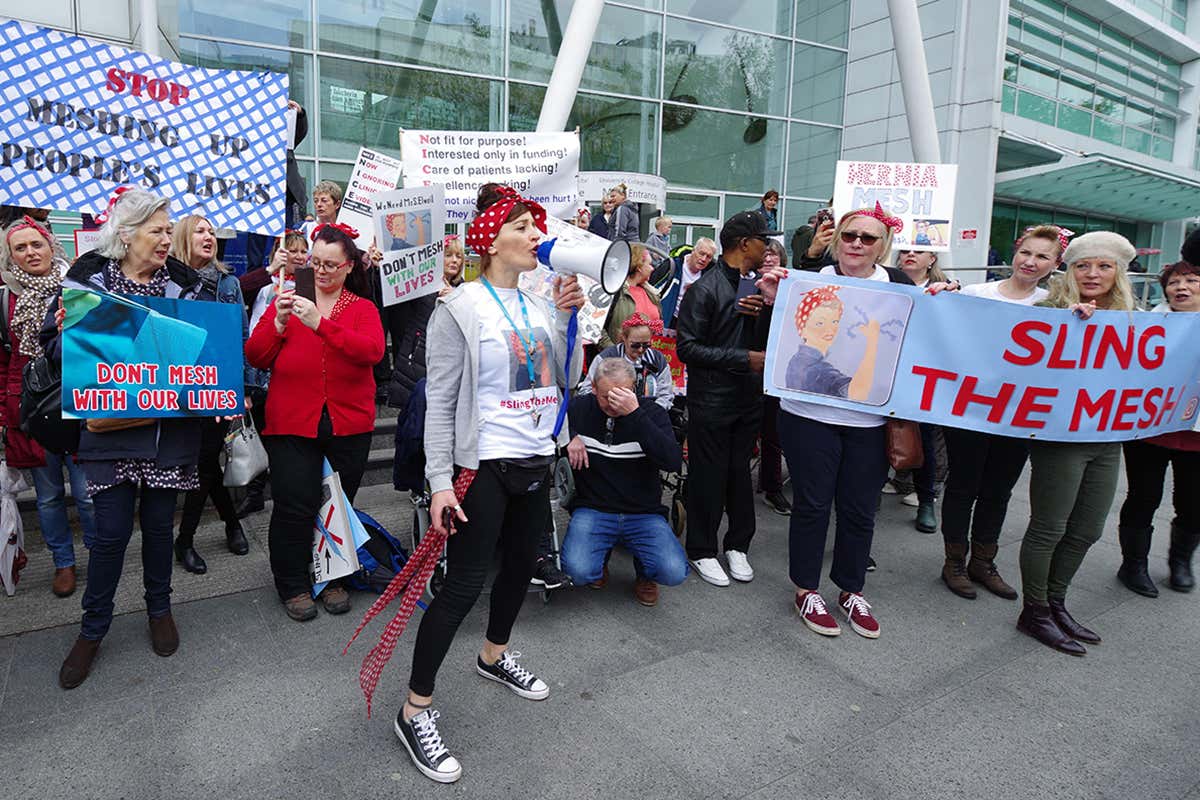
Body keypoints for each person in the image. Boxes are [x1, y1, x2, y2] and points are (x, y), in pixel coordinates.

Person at [397, 183, 583, 784]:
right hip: (483, 467)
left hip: (534, 459)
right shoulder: (461, 307)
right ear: (492, 239)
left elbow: (565, 380)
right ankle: (414, 710)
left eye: (537, 227)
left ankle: (494, 655)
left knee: (524, 565)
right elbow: (440, 401)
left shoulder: (537, 302)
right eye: (526, 227)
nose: (538, 236)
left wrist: (568, 317)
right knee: (463, 587)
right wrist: (439, 483)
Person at [52, 188, 207, 689]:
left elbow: (208, 357)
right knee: (110, 535)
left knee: (160, 530)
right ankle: (92, 629)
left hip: (168, 433)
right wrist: (61, 333)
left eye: (168, 230)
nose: (167, 239)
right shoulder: (89, 284)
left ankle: (159, 609)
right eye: (157, 230)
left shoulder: (186, 291)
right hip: (109, 432)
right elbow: (62, 358)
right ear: (127, 235)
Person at [782, 204, 913, 640]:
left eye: (868, 238)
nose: (857, 243)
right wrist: (770, 296)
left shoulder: (899, 285)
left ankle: (851, 589)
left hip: (870, 423)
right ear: (837, 239)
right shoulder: (807, 280)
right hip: (809, 416)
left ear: (883, 246)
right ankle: (806, 589)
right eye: (850, 235)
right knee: (813, 505)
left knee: (860, 509)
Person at [245, 222, 384, 622]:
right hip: (292, 421)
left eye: (329, 265)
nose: (320, 271)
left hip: (348, 423)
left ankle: (334, 577)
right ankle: (292, 582)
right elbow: (255, 356)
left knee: (338, 506)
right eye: (314, 262)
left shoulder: (361, 309)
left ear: (347, 267)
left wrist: (321, 325)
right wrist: (277, 325)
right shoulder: (285, 300)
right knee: (293, 505)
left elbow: (371, 351)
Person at [1016, 231, 1137, 656]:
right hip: (1062, 438)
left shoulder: (1133, 318)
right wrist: (1064, 324)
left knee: (1088, 528)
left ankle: (1055, 601)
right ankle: (1034, 610)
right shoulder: (1051, 309)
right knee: (1050, 526)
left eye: (1104, 266)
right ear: (1070, 271)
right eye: (1084, 265)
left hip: (1108, 439)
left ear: (1118, 274)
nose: (1093, 273)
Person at [937, 225, 1065, 601]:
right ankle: (954, 561)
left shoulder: (1054, 305)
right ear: (1015, 252)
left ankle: (983, 560)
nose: (1031, 261)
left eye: (1043, 256)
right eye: (1027, 252)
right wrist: (942, 297)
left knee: (998, 489)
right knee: (963, 486)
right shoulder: (976, 294)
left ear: (1056, 263)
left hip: (1019, 415)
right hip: (971, 409)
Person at [676, 211, 783, 587]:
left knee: (740, 474)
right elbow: (686, 348)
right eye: (763, 240)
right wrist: (743, 358)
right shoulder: (704, 289)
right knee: (708, 476)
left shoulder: (753, 285)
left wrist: (764, 311)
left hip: (746, 399)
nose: (768, 248)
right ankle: (702, 550)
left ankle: (738, 544)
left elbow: (762, 341)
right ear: (743, 244)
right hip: (711, 401)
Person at [0, 216, 96, 598]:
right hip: (31, 410)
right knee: (50, 495)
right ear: (10, 257)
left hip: (77, 401)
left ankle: (98, 553)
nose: (30, 253)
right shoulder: (5, 298)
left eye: (35, 244)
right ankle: (63, 563)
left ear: (50, 245)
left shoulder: (76, 286)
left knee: (88, 493)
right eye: (19, 248)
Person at [561, 358, 688, 606]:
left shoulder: (651, 413)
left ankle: (645, 574)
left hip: (643, 512)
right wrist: (569, 437)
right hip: (594, 507)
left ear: (634, 389)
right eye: (607, 395)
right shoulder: (580, 408)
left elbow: (672, 462)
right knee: (578, 570)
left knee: (673, 571)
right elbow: (551, 423)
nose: (613, 403)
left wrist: (635, 414)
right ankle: (600, 559)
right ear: (594, 388)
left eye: (623, 394)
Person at [169, 215, 251, 574]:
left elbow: (241, 337)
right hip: (179, 387)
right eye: (200, 230)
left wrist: (243, 388)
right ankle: (232, 523)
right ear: (185, 237)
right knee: (205, 464)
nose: (209, 236)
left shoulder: (228, 283)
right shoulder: (167, 281)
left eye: (211, 231)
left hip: (217, 386)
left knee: (204, 460)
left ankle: (184, 540)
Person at [1115, 257, 1200, 596]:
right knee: (1143, 496)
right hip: (1149, 426)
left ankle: (1180, 563)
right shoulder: (1146, 324)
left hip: (1196, 433)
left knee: (1193, 502)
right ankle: (1132, 564)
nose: (1181, 288)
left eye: (1192, 280)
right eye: (1174, 282)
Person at [237, 231, 309, 519]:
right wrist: (269, 273)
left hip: (296, 373)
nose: (300, 256)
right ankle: (255, 494)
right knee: (265, 433)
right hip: (266, 374)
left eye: (304, 251)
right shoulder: (268, 287)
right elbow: (237, 294)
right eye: (293, 251)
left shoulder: (310, 286)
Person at [890, 248, 958, 532]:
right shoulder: (886, 281)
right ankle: (889, 486)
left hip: (926, 374)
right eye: (905, 250)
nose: (910, 255)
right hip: (889, 369)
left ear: (932, 259)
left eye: (919, 251)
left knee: (926, 436)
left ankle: (927, 499)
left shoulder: (945, 290)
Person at [580, 312, 673, 410]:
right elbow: (586, 390)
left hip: (648, 414)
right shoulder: (607, 358)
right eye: (635, 345)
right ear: (624, 338)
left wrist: (651, 412)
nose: (641, 349)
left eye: (646, 345)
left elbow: (666, 395)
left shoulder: (657, 359)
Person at [758, 240, 790, 515]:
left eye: (774, 254)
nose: (769, 258)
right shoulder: (744, 285)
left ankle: (772, 487)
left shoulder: (790, 290)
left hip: (777, 370)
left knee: (772, 433)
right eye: (765, 253)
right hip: (745, 367)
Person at [600, 243, 661, 347]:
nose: (652, 269)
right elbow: (597, 327)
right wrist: (614, 353)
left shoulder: (652, 293)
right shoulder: (613, 290)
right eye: (649, 264)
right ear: (639, 267)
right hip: (618, 360)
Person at [658, 237, 716, 327]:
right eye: (701, 254)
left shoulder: (710, 276)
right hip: (667, 321)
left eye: (708, 257)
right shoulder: (672, 266)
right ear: (693, 251)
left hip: (692, 324)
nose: (704, 259)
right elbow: (651, 290)